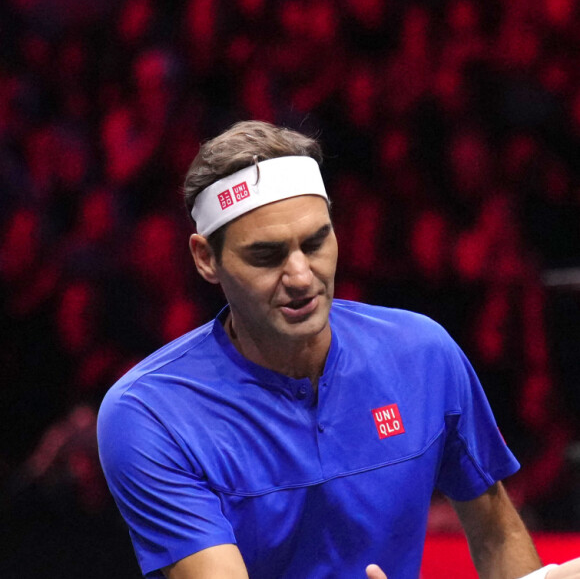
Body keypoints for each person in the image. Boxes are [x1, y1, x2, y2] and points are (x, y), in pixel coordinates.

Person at [98, 121, 559, 579]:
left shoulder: (423, 354)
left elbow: (498, 533)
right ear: (206, 259)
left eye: (316, 242)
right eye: (267, 255)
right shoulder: (149, 412)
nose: (301, 276)